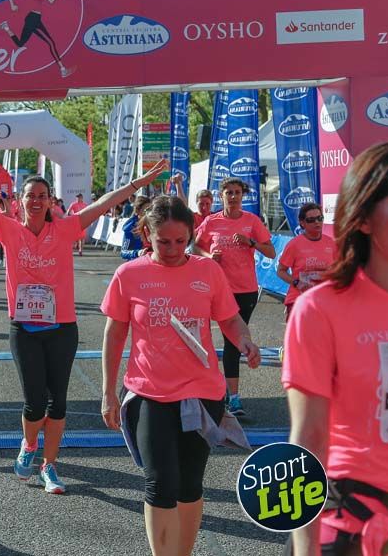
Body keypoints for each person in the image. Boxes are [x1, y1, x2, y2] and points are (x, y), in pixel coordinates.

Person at [0, 131, 167, 493]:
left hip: (62, 328)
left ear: (51, 200)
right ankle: (29, 445)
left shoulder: (65, 229)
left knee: (58, 403)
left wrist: (138, 183)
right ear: (19, 201)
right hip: (24, 329)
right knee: (34, 402)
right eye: (30, 196)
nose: (36, 201)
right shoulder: (8, 229)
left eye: (42, 196)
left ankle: (49, 465)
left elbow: (104, 203)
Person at [100, 195, 261, 556]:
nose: (173, 250)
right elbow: (114, 334)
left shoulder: (208, 272)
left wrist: (245, 341)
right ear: (147, 234)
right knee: (159, 482)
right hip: (149, 392)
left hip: (201, 394)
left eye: (180, 241)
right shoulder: (129, 275)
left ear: (191, 234)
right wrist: (108, 392)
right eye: (164, 242)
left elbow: (230, 319)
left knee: (189, 485)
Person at [284, 141, 388, 556]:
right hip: (354, 521)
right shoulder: (320, 309)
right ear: (362, 219)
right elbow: (308, 439)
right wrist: (305, 548)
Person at [193, 178, 275, 417]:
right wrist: (209, 256)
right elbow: (195, 248)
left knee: (234, 341)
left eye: (237, 192)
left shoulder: (252, 221)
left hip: (245, 290)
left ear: (242, 196)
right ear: (221, 196)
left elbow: (271, 252)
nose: (233, 196)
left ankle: (234, 397)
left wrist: (251, 242)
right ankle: (204, 389)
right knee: (203, 337)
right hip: (217, 290)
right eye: (229, 192)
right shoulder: (212, 221)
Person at [0, 0, 74, 77]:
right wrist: (12, 5)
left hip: (36, 18)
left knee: (20, 44)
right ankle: (62, 69)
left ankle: (6, 28)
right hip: (32, 19)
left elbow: (51, 1)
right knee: (50, 43)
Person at [274, 202, 334, 321]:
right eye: (311, 220)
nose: (317, 222)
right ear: (302, 223)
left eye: (319, 218)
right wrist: (297, 282)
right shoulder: (294, 245)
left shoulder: (331, 243)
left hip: (324, 299)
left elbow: (339, 269)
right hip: (299, 299)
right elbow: (281, 271)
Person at [120, 196, 152, 262]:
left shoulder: (155, 224)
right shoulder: (130, 227)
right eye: (146, 210)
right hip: (136, 262)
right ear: (138, 210)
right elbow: (123, 252)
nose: (149, 213)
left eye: (150, 209)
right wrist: (137, 253)